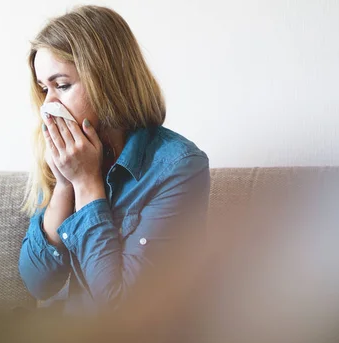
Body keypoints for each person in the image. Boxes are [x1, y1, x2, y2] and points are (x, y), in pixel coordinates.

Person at [18, 5, 210, 315]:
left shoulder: (179, 167)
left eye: (62, 86)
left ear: (107, 80)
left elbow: (121, 308)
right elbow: (38, 283)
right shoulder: (62, 154)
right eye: (44, 89)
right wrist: (65, 184)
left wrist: (86, 182)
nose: (49, 105)